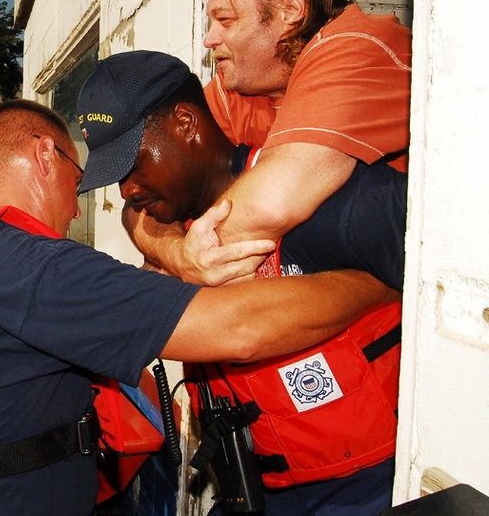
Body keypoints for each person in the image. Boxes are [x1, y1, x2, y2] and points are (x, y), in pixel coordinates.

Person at [0, 98, 398, 516]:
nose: (78, 202)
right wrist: (383, 283)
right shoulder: (37, 265)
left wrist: (159, 267)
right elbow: (243, 328)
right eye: (77, 176)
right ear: (46, 156)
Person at [76, 50, 405, 514]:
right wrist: (173, 252)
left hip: (367, 491)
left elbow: (438, 263)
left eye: (131, 164)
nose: (126, 190)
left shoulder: (310, 200)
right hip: (249, 489)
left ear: (186, 123)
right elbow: (135, 217)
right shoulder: (177, 227)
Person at [129, 0, 412, 284]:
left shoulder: (358, 46)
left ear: (290, 11)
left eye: (226, 20)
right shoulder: (241, 88)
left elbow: (270, 205)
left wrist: (187, 261)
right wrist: (176, 255)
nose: (209, 39)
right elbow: (145, 197)